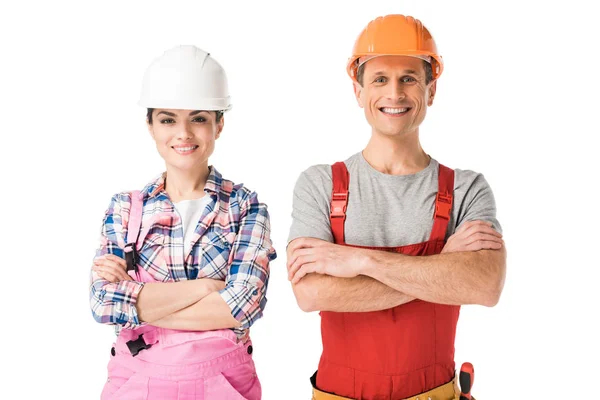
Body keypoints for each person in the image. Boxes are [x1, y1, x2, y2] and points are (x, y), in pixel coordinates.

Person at [286, 14, 506, 400]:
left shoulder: (467, 188)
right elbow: (312, 294)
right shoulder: (320, 184)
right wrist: (441, 268)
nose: (394, 94)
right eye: (380, 79)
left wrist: (361, 263)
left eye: (409, 78)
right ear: (358, 91)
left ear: (430, 90)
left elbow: (485, 287)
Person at [89, 45, 276, 399]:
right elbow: (104, 304)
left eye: (199, 118)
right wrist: (206, 288)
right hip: (136, 386)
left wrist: (138, 303)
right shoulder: (125, 209)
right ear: (150, 125)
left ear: (219, 124)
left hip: (224, 386)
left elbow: (244, 305)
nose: (184, 133)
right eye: (168, 119)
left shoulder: (246, 208)